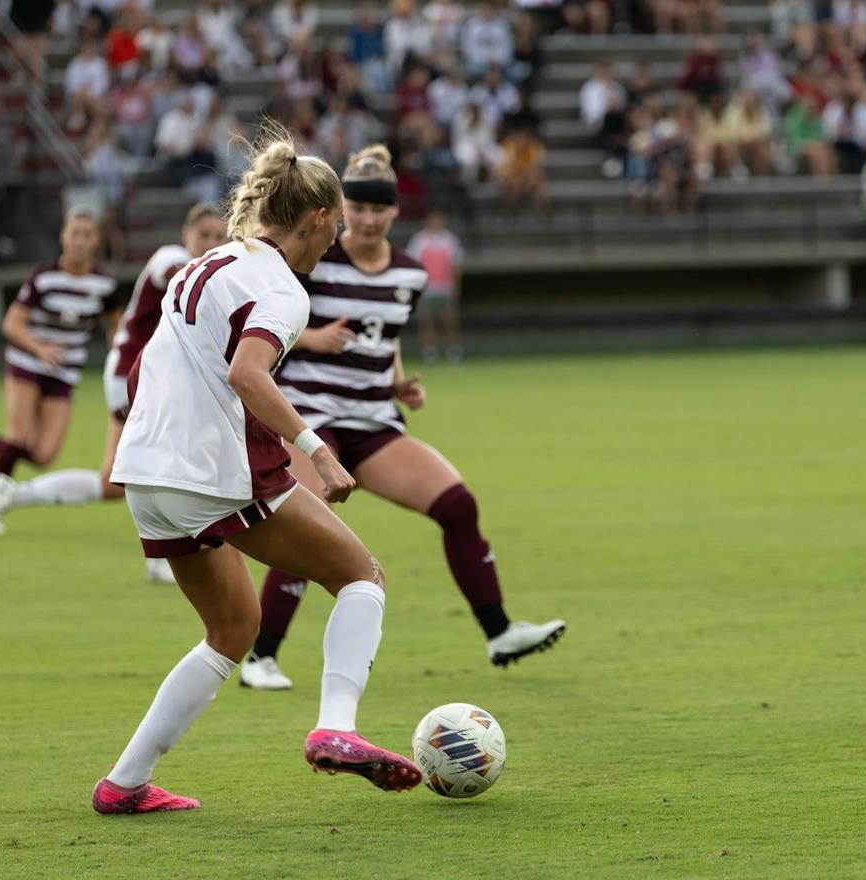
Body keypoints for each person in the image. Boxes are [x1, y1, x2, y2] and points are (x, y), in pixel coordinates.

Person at [90, 129, 421, 814]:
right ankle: (337, 727)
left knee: (232, 630)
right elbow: (246, 372)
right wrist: (318, 450)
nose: (333, 247)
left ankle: (123, 783)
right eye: (332, 232)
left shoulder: (208, 261)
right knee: (363, 577)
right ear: (321, 219)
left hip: (149, 473)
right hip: (213, 469)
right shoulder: (283, 290)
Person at [239, 145, 564, 692]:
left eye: (377, 210)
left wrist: (397, 380)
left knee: (458, 505)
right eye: (356, 209)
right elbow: (269, 330)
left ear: (394, 213)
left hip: (374, 421)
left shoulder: (410, 275)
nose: (366, 220)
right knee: (307, 521)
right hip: (313, 416)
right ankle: (261, 657)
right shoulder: (315, 257)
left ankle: (499, 631)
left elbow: (383, 339)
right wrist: (316, 338)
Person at [0, 203, 229, 584]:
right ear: (185, 235)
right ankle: (163, 559)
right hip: (133, 376)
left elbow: (121, 321)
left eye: (218, 238)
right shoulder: (173, 259)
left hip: (145, 376)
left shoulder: (192, 275)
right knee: (166, 463)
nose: (209, 244)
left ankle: (14, 494)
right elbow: (173, 275)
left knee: (113, 483)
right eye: (203, 236)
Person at [0, 207, 119, 536]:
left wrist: (123, 360)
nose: (79, 241)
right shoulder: (43, 277)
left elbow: (116, 331)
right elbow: (12, 324)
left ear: (96, 241)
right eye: (74, 233)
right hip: (27, 363)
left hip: (64, 374)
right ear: (63, 236)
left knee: (44, 455)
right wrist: (39, 349)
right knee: (19, 436)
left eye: (87, 235)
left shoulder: (104, 285)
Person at [405, 210, 462, 363]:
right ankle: (429, 352)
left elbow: (455, 265)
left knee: (449, 321)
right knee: (426, 322)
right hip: (426, 290)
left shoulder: (450, 239)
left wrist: (456, 285)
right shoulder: (419, 240)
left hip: (445, 288)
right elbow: (413, 265)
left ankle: (454, 350)